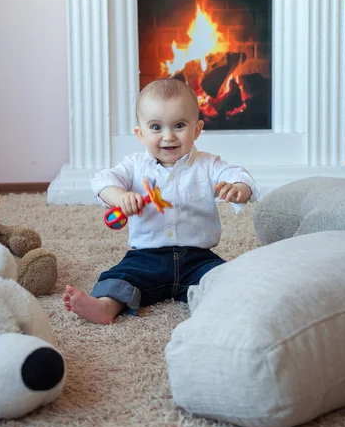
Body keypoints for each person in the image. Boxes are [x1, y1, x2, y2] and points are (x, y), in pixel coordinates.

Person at [63, 78, 260, 324]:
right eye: (156, 127)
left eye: (179, 125)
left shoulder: (208, 165)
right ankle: (105, 307)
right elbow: (102, 181)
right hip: (146, 256)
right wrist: (120, 197)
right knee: (119, 277)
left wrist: (238, 188)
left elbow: (240, 176)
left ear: (197, 130)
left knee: (226, 278)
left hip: (198, 257)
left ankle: (213, 310)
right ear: (141, 134)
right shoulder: (134, 166)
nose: (168, 136)